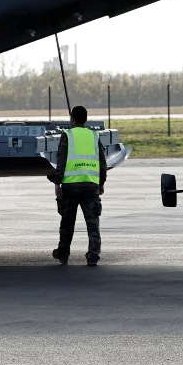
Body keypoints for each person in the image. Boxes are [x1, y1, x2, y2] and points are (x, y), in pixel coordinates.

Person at [48, 105, 107, 266]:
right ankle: (93, 255)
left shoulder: (67, 134)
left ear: (72, 119)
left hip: (70, 186)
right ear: (86, 119)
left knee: (67, 221)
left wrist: (57, 183)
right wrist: (101, 182)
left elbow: (62, 161)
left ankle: (63, 254)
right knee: (93, 222)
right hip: (90, 185)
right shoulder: (94, 136)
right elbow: (102, 162)